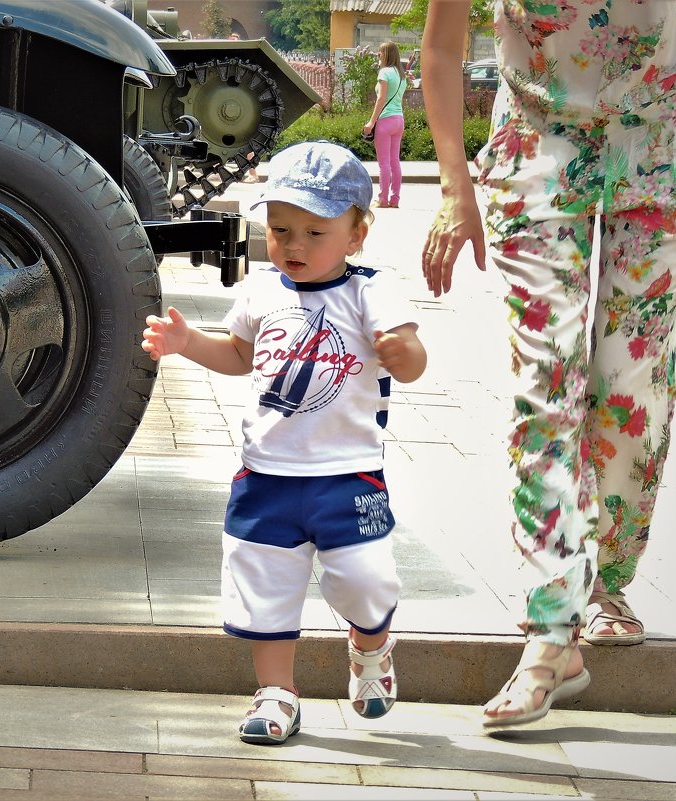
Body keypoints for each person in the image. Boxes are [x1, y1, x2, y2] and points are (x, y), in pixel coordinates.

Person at [420, 0, 676, 729]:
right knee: (547, 384)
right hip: (536, 148)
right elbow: (442, 50)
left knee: (629, 386)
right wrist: (453, 192)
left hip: (665, 143)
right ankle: (552, 621)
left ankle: (609, 581)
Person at [142, 141, 427, 744]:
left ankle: (370, 647)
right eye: (279, 230)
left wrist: (405, 356)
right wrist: (189, 343)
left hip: (346, 474)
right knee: (265, 588)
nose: (294, 245)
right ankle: (276, 693)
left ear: (356, 234)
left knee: (366, 579)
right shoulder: (263, 291)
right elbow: (241, 355)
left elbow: (411, 357)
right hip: (264, 475)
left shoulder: (371, 292)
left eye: (315, 232)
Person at [362, 42, 409, 209]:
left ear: (387, 54)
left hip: (385, 121)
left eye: (380, 52)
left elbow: (381, 99)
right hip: (399, 120)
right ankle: (394, 199)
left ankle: (382, 199)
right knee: (394, 161)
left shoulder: (384, 72)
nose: (378, 55)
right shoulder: (401, 75)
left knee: (384, 163)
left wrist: (371, 121)